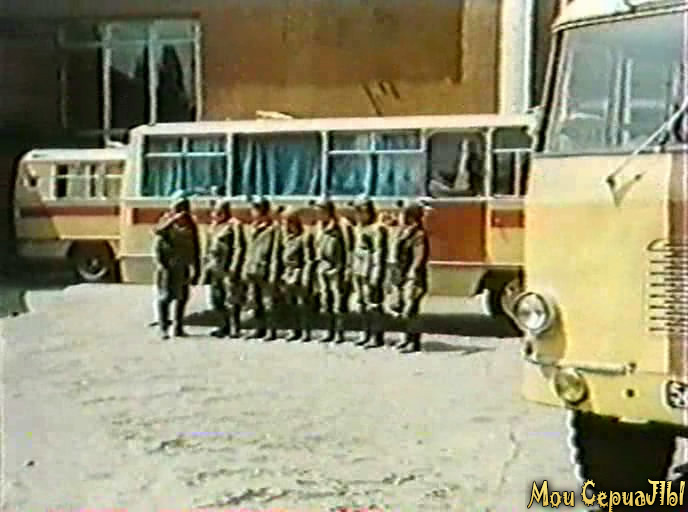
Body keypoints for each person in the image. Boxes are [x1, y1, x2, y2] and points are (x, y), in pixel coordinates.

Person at [152, 191, 201, 340]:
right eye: (179, 207)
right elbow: (158, 231)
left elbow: (196, 247)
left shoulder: (191, 224)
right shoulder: (166, 220)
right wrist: (173, 220)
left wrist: (197, 268)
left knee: (182, 297)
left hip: (183, 265)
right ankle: (163, 327)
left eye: (185, 207)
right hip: (167, 265)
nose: (182, 210)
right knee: (165, 297)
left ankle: (178, 327)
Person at [389, 201, 430, 354]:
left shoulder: (419, 234)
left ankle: (414, 342)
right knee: (402, 309)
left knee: (411, 310)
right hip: (402, 275)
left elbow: (419, 257)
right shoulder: (403, 232)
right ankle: (405, 339)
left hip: (413, 277)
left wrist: (412, 273)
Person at [202, 200, 246, 339]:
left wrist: (235, 265)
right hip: (214, 267)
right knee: (216, 298)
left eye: (219, 211)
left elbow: (239, 247)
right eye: (215, 211)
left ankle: (235, 327)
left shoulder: (234, 225)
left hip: (227, 266)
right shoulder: (213, 226)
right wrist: (206, 265)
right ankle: (223, 325)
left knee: (231, 299)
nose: (216, 214)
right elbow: (208, 248)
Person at [350, 197, 388, 349]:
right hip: (359, 269)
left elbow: (378, 252)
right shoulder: (359, 228)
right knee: (362, 304)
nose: (358, 215)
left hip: (370, 270)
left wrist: (376, 273)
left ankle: (375, 335)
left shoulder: (377, 229)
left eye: (360, 211)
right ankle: (365, 332)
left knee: (373, 305)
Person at [274, 207, 316, 342]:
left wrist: (305, 277)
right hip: (287, 273)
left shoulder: (304, 238)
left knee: (302, 304)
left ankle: (305, 330)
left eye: (288, 222)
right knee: (290, 304)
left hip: (298, 273)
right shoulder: (285, 238)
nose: (285, 226)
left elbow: (309, 260)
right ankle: (293, 329)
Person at [242, 197, 277, 341]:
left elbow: (274, 253)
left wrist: (273, 272)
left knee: (268, 302)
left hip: (265, 269)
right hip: (252, 269)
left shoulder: (272, 230)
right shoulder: (252, 228)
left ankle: (271, 329)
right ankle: (258, 328)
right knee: (254, 301)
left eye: (255, 210)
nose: (252, 213)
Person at [312, 198, 347, 344]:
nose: (318, 214)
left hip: (336, 268)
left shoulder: (340, 228)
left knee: (337, 302)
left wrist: (342, 269)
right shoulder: (319, 227)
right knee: (326, 301)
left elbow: (347, 250)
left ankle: (339, 332)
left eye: (321, 211)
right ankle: (329, 330)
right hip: (322, 267)